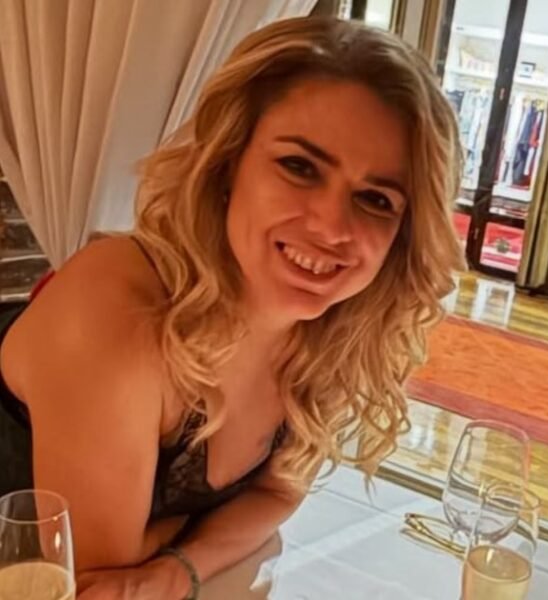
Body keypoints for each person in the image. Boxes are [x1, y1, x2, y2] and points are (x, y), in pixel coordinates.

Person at [0, 16, 463, 599]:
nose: (331, 226)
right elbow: (96, 584)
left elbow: (279, 493)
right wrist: (210, 535)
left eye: (375, 199)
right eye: (299, 166)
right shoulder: (118, 307)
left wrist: (176, 566)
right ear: (227, 164)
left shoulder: (332, 331)